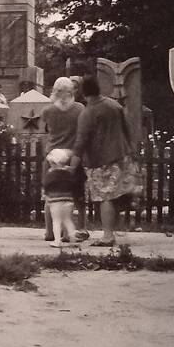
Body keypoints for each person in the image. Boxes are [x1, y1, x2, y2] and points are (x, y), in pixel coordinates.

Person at [72, 75, 138, 247]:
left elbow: (80, 142)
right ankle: (113, 230)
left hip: (101, 159)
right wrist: (131, 150)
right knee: (115, 195)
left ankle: (108, 236)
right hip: (121, 155)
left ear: (83, 93)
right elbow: (127, 128)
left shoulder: (87, 113)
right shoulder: (114, 105)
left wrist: (72, 166)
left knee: (105, 197)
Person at [42, 76, 90, 241]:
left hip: (52, 155)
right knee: (75, 195)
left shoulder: (48, 110)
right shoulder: (79, 109)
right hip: (72, 155)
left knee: (51, 195)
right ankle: (80, 228)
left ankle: (50, 232)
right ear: (71, 91)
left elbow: (47, 129)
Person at [41, 148, 84, 247]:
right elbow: (74, 185)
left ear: (52, 162)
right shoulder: (68, 173)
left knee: (56, 221)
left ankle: (57, 241)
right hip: (68, 201)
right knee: (68, 220)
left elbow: (46, 184)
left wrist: (47, 194)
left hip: (56, 201)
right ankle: (72, 239)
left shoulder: (51, 174)